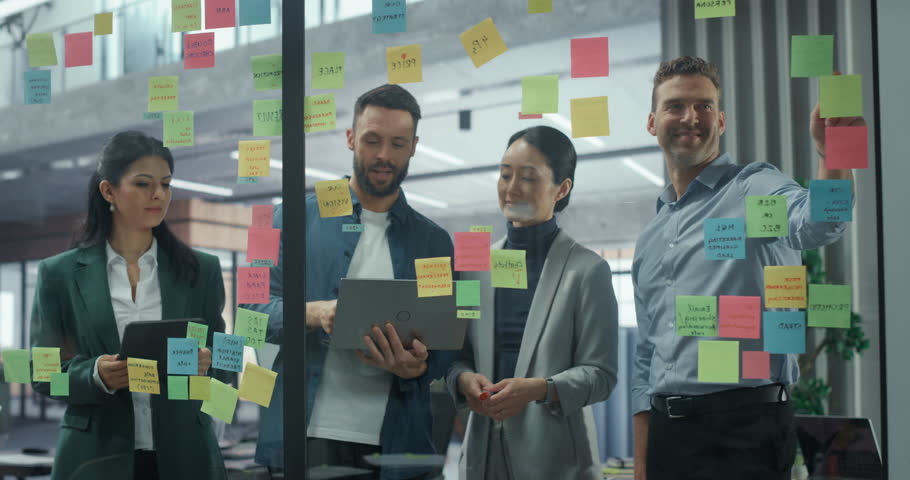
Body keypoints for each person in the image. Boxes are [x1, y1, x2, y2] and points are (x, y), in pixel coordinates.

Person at [631, 56, 863, 480]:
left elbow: (822, 222)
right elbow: (646, 358)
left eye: (703, 106)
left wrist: (834, 150)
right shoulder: (651, 236)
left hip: (745, 431)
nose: (689, 117)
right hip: (669, 437)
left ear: (720, 121)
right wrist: (643, 464)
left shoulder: (753, 186)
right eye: (675, 106)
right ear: (652, 122)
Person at [243, 84, 455, 479]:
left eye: (398, 143)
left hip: (398, 445)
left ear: (413, 147)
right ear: (350, 137)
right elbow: (247, 314)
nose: (383, 155)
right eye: (372, 140)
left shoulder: (433, 242)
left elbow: (444, 346)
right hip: (306, 438)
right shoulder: (283, 218)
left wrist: (419, 366)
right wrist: (315, 313)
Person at [29, 131, 230, 480]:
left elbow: (226, 362)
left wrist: (208, 365)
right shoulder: (59, 274)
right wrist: (93, 375)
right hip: (94, 456)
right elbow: (42, 374)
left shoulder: (201, 270)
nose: (158, 195)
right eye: (142, 184)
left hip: (184, 455)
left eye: (166, 184)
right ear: (108, 191)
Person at [446, 126, 619, 480]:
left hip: (556, 459)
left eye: (527, 177)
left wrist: (541, 389)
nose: (511, 188)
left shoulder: (588, 271)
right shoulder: (472, 268)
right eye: (505, 174)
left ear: (562, 188)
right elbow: (456, 354)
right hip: (482, 455)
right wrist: (463, 379)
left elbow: (601, 375)